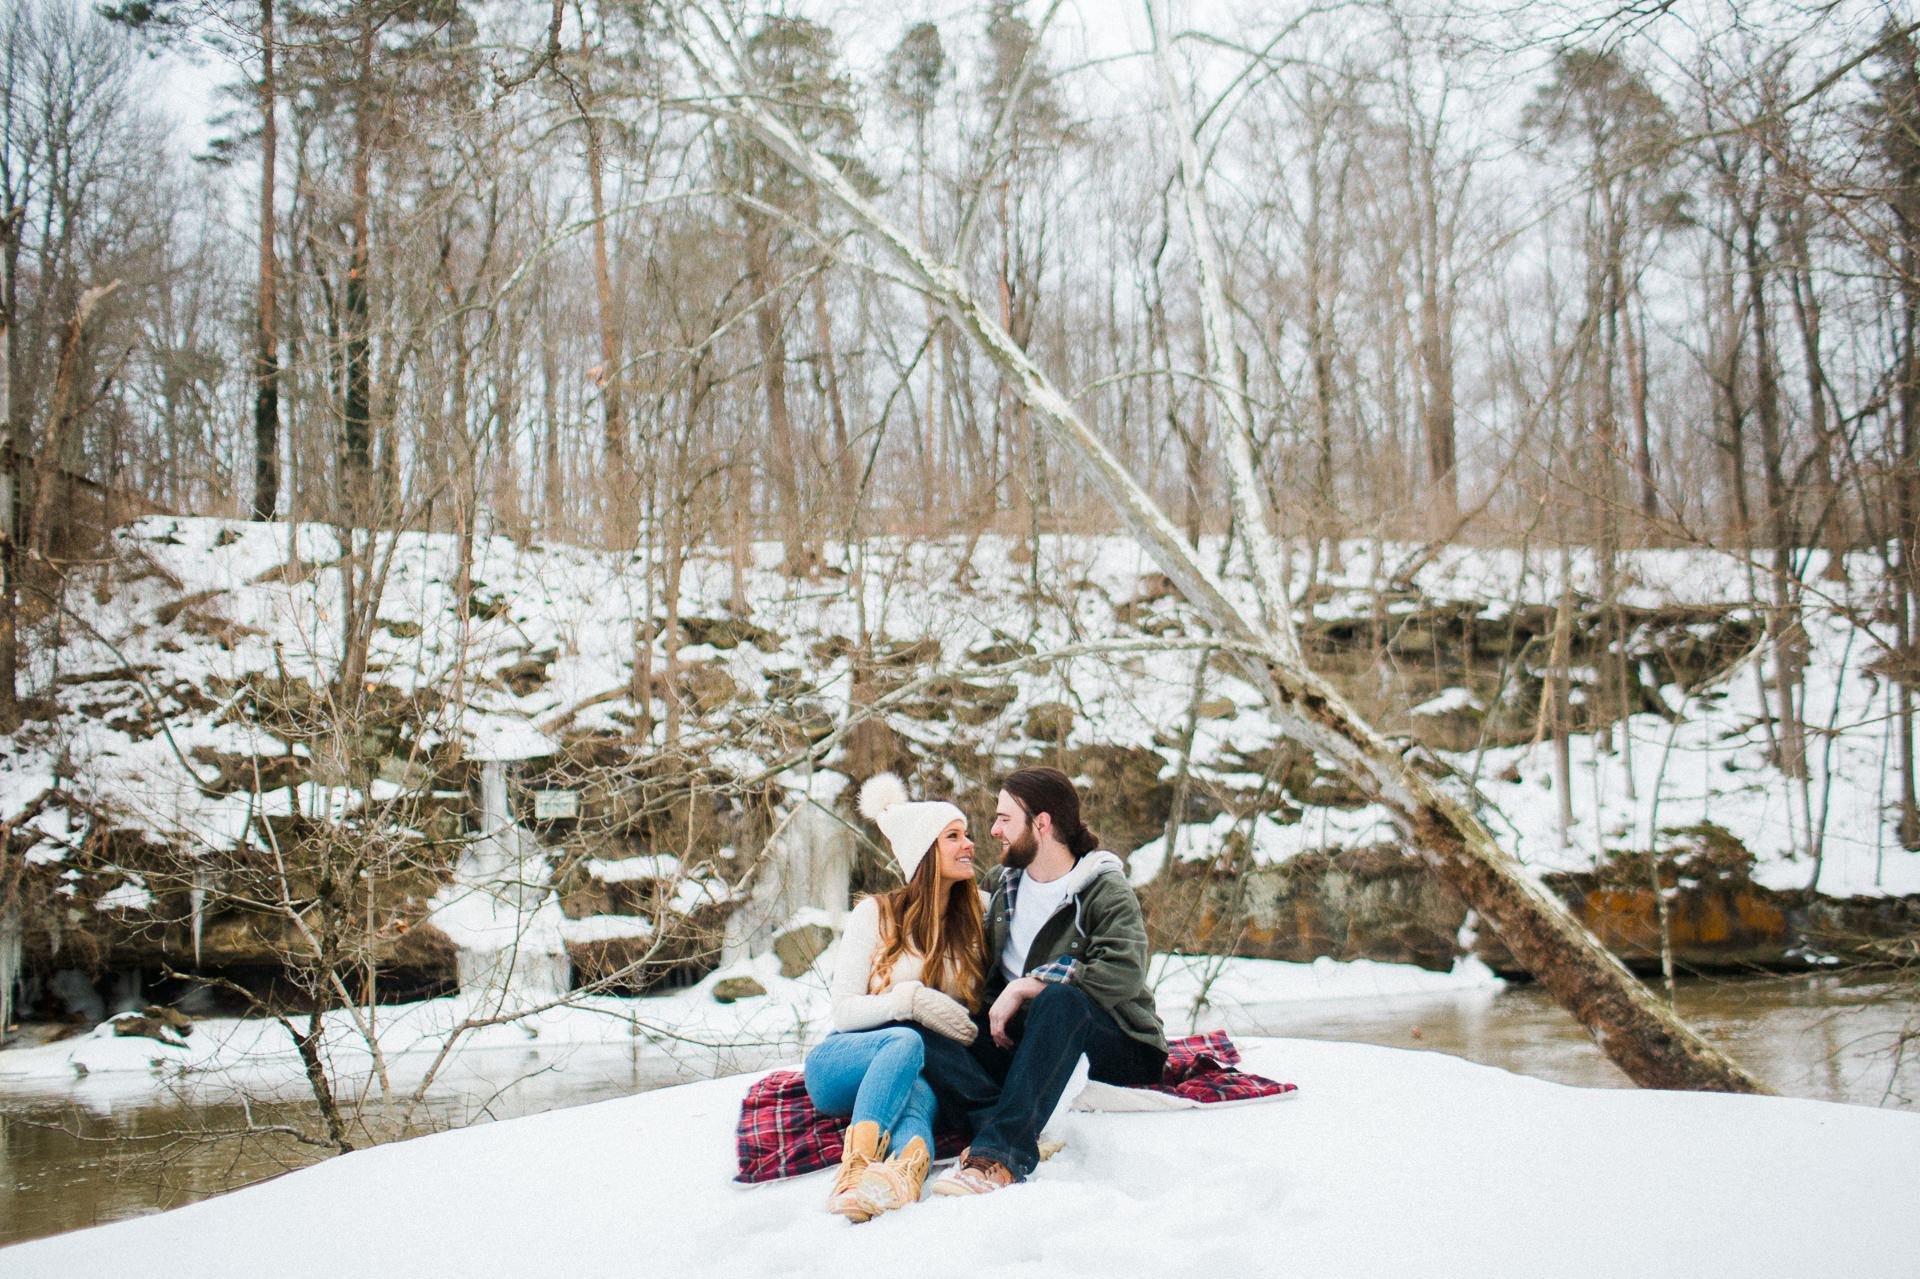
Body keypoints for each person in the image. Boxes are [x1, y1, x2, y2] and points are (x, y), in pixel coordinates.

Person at [920, 765, 1168, 1196]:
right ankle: (994, 1117)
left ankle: (999, 1156)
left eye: (1004, 819)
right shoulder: (1003, 885)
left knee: (1059, 1001)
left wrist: (1028, 984)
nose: (994, 830)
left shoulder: (1103, 889)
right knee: (927, 1026)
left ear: (1042, 823)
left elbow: (1124, 974)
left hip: (1118, 1044)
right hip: (1029, 1039)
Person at [803, 772, 983, 1222]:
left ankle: (902, 1176)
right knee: (905, 1041)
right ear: (925, 850)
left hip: (920, 1067)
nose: (969, 845)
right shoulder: (874, 914)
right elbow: (844, 1011)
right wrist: (909, 1002)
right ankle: (855, 1168)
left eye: (968, 835)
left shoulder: (971, 926)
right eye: (954, 837)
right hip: (844, 1061)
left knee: (920, 1093)